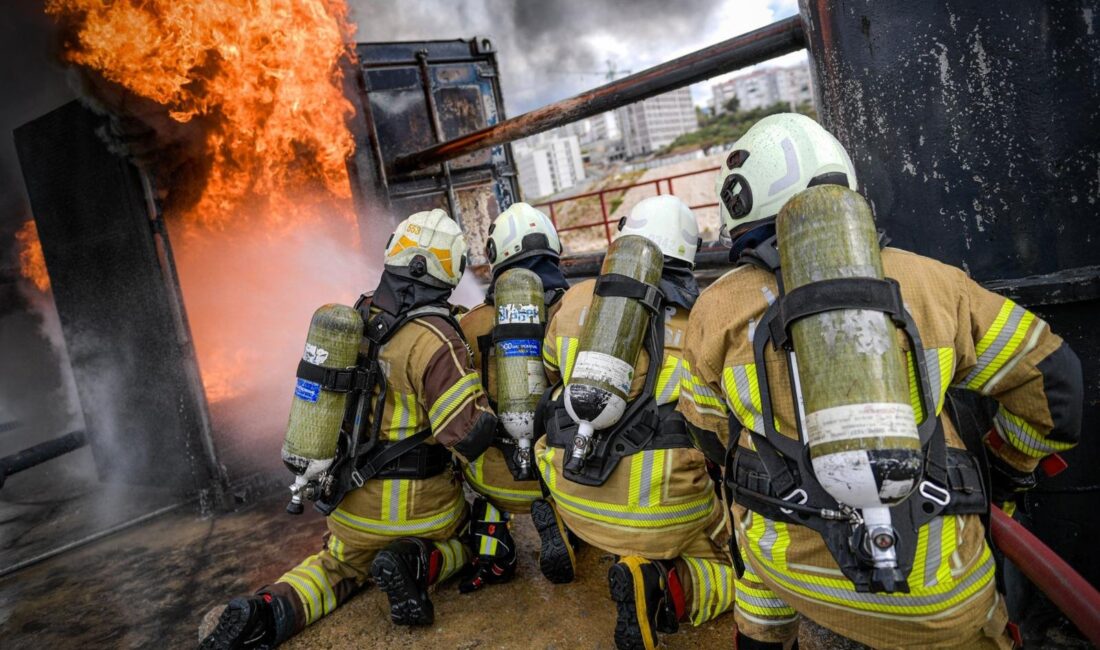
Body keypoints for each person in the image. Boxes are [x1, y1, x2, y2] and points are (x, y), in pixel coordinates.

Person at [678, 113, 1083, 649]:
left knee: (753, 547)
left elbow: (707, 435)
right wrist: (1005, 470)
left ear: (743, 205)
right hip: (936, 594)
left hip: (789, 570)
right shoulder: (933, 283)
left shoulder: (715, 308)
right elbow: (1055, 383)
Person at [200, 209, 497, 649]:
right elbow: (468, 436)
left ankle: (266, 612)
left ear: (393, 256)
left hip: (350, 512)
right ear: (449, 271)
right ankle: (414, 562)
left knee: (335, 567)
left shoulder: (351, 322)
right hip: (423, 513)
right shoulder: (436, 340)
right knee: (475, 536)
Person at [534, 195, 736, 650]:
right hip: (664, 513)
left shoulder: (572, 303)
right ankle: (663, 585)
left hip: (572, 489)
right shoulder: (703, 317)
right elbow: (723, 426)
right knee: (739, 570)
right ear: (687, 250)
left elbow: (548, 380)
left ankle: (568, 532)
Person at [454, 202, 570, 592]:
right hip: (562, 477)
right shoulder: (573, 314)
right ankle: (571, 529)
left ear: (494, 257)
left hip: (494, 479)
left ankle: (492, 545)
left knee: (481, 486)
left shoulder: (469, 324)